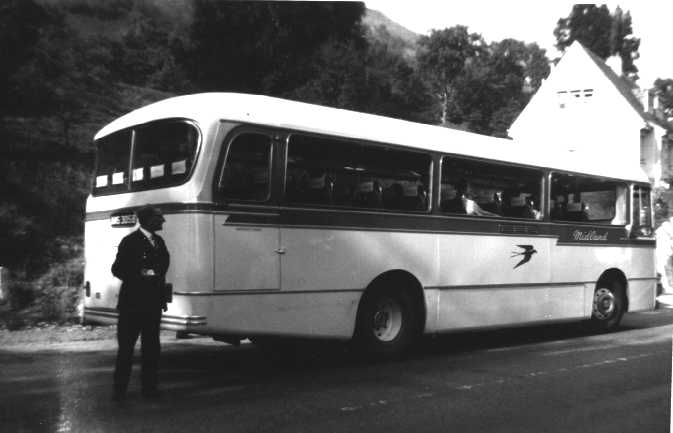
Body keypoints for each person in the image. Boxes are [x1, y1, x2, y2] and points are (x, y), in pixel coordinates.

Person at [111, 205, 170, 402]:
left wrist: (153, 275)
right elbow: (118, 269)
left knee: (152, 348)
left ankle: (149, 388)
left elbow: (163, 267)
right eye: (159, 217)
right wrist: (144, 273)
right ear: (147, 220)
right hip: (132, 306)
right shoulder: (130, 242)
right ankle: (119, 392)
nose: (163, 221)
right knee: (126, 349)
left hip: (152, 305)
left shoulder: (159, 242)